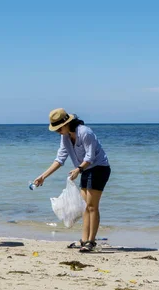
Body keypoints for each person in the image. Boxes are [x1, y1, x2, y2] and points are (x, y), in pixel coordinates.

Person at [34, 108, 111, 253]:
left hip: (99, 168)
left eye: (58, 128)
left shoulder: (85, 132)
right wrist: (43, 176)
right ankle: (84, 239)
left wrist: (78, 169)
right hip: (85, 169)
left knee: (92, 206)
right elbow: (60, 159)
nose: (57, 132)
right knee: (85, 207)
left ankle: (91, 241)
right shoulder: (65, 137)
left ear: (67, 123)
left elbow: (90, 156)